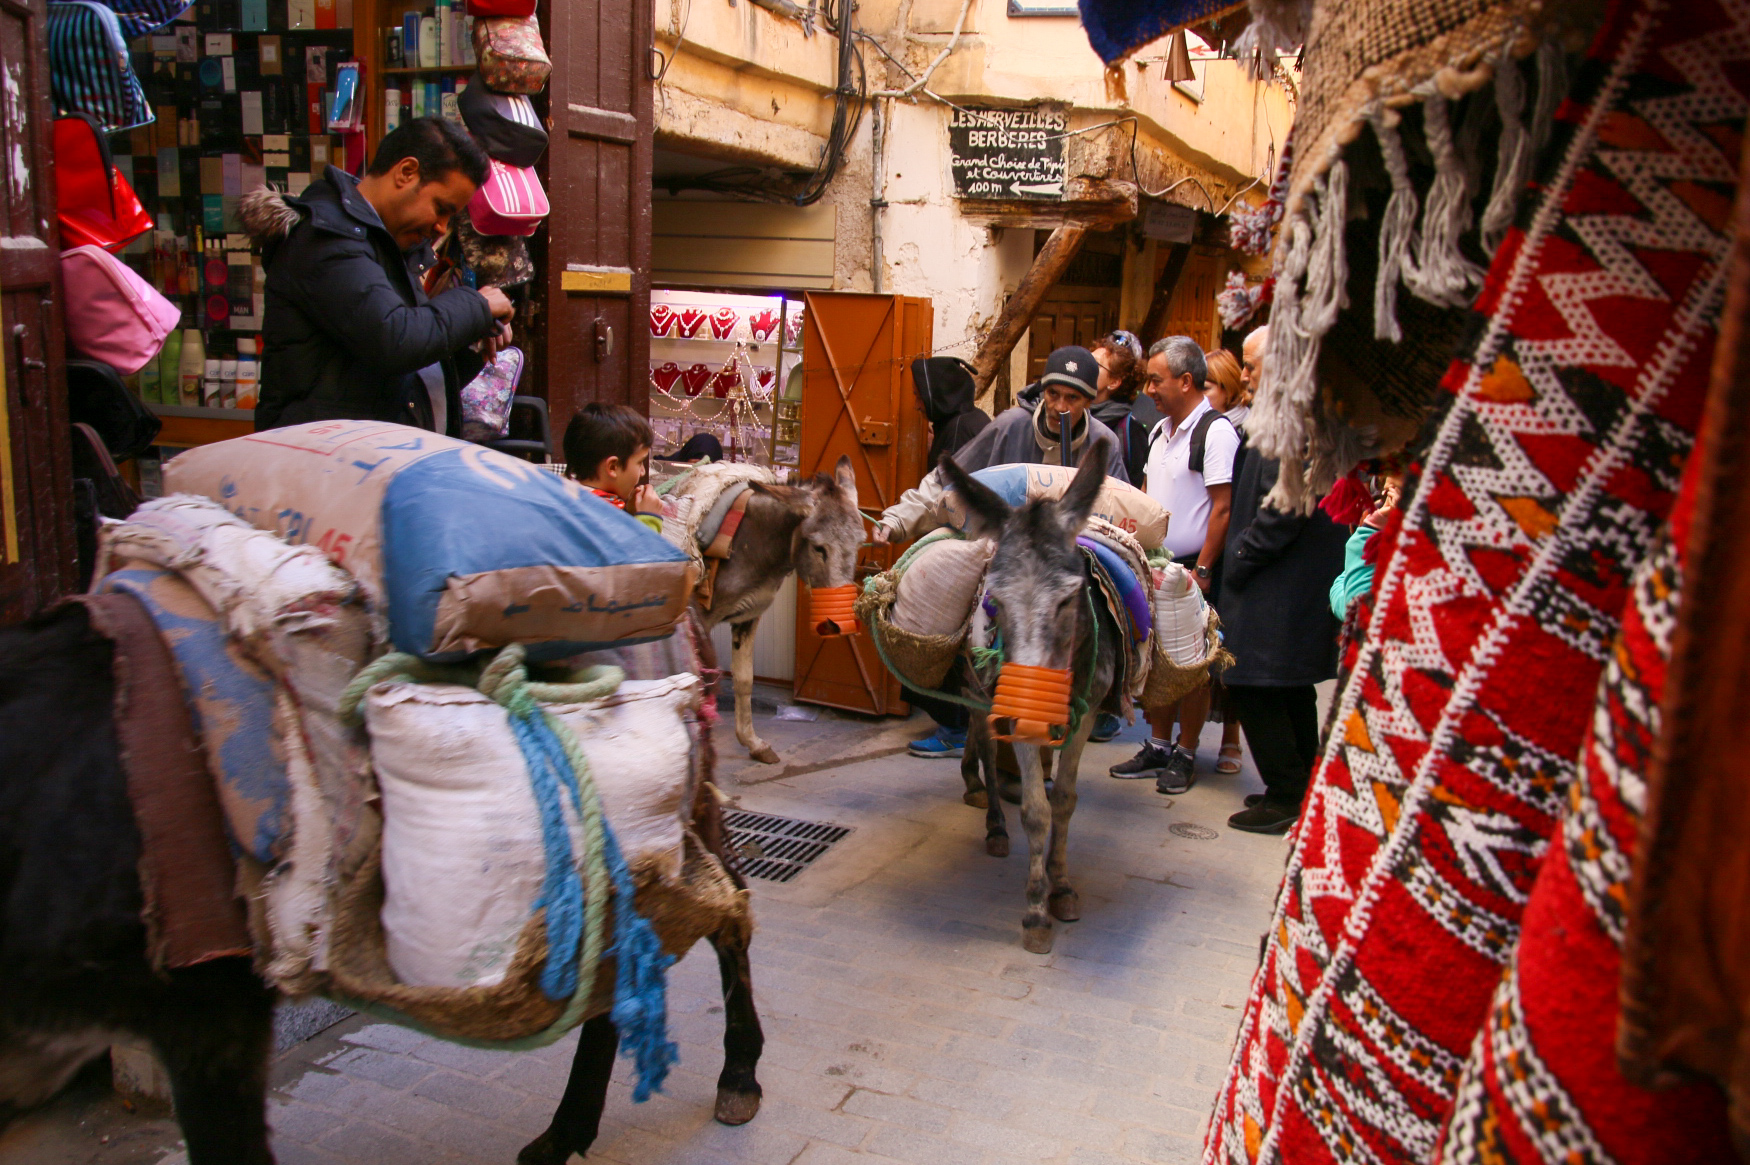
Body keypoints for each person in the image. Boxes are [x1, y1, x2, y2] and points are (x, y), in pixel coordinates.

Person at [249, 118, 516, 433]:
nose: (442, 227)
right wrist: (476, 306)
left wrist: (472, 339)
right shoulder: (326, 238)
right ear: (406, 172)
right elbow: (395, 340)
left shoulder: (387, 247)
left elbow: (409, 378)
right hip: (324, 455)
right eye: (441, 208)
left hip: (367, 453)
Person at [1218, 325, 1350, 834]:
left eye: (1252, 366)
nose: (1245, 375)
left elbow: (1283, 505)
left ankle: (1287, 793)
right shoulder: (1295, 414)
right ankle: (1301, 787)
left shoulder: (1292, 421)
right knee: (1287, 686)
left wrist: (1243, 555)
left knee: (1257, 684)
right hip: (1287, 583)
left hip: (1277, 584)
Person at [1109, 336, 1238, 793]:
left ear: (1185, 381)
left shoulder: (1216, 433)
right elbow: (1147, 499)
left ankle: (1186, 752)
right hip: (1155, 565)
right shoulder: (1159, 431)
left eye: (1155, 380)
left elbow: (1223, 507)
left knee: (1190, 667)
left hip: (1191, 571)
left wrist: (1202, 571)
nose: (1149, 389)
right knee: (1156, 660)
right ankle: (1159, 746)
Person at [871, 345, 1129, 544]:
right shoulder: (1010, 426)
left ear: (1089, 401)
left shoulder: (1104, 443)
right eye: (1053, 394)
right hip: (1004, 552)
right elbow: (946, 481)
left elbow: (1123, 508)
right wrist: (897, 521)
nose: (1060, 406)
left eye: (1072, 398)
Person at [905, 356, 992, 759]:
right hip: (977, 545)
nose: (918, 403)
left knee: (940, 634)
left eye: (920, 395)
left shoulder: (957, 431)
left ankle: (954, 726)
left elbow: (949, 496)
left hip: (960, 549)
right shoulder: (971, 422)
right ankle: (961, 723)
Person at [1202, 344, 1252, 778]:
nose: (1203, 394)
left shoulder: (1235, 432)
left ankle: (1231, 738)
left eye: (1209, 386)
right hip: (1207, 550)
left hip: (1227, 556)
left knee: (1225, 649)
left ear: (1228, 388)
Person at [563, 403, 665, 535]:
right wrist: (649, 519)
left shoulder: (567, 498)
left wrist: (628, 512)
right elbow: (637, 548)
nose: (643, 472)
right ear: (613, 467)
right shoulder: (592, 515)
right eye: (640, 462)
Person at [1089, 332, 1150, 489]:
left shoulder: (1131, 428)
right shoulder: (1073, 411)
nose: (1086, 367)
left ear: (1114, 382)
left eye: (1096, 364)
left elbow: (1135, 487)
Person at [915, 355, 990, 472]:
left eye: (920, 398)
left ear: (939, 396)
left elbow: (948, 481)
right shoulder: (971, 417)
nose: (917, 405)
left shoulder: (959, 430)